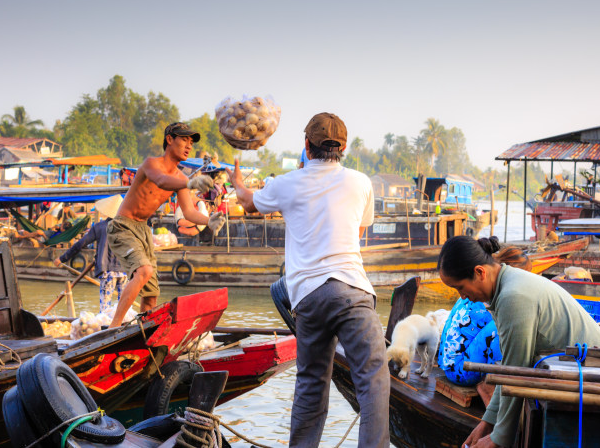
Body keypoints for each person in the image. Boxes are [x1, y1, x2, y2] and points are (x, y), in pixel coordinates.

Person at [226, 112, 389, 448]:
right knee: (373, 380)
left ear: (307, 147)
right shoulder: (361, 182)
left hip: (308, 297)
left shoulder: (287, 183)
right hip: (352, 291)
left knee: (312, 382)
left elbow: (246, 201)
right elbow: (357, 233)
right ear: (343, 147)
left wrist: (237, 179)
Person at [437, 236, 600, 448]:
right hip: (578, 372)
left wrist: (498, 438)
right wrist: (487, 422)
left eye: (460, 287)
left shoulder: (513, 297)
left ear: (479, 272)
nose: (463, 297)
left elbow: (515, 372)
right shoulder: (506, 285)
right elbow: (509, 367)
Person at [106, 122, 214, 329]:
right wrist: (190, 183)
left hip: (144, 231)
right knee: (144, 271)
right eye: (184, 140)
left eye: (191, 142)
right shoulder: (151, 164)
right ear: (169, 139)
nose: (188, 146)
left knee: (151, 293)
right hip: (123, 226)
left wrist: (210, 220)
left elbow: (190, 212)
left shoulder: (181, 178)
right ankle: (114, 327)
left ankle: (142, 332)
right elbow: (161, 181)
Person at [437, 239, 531, 386]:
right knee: (506, 326)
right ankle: (489, 386)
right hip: (460, 371)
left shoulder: (474, 290)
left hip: (447, 362)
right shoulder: (489, 294)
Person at [54, 195, 127, 313]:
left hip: (107, 271)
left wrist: (62, 258)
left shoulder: (99, 227)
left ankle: (106, 327)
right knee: (124, 308)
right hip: (124, 271)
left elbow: (81, 244)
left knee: (105, 309)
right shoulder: (127, 227)